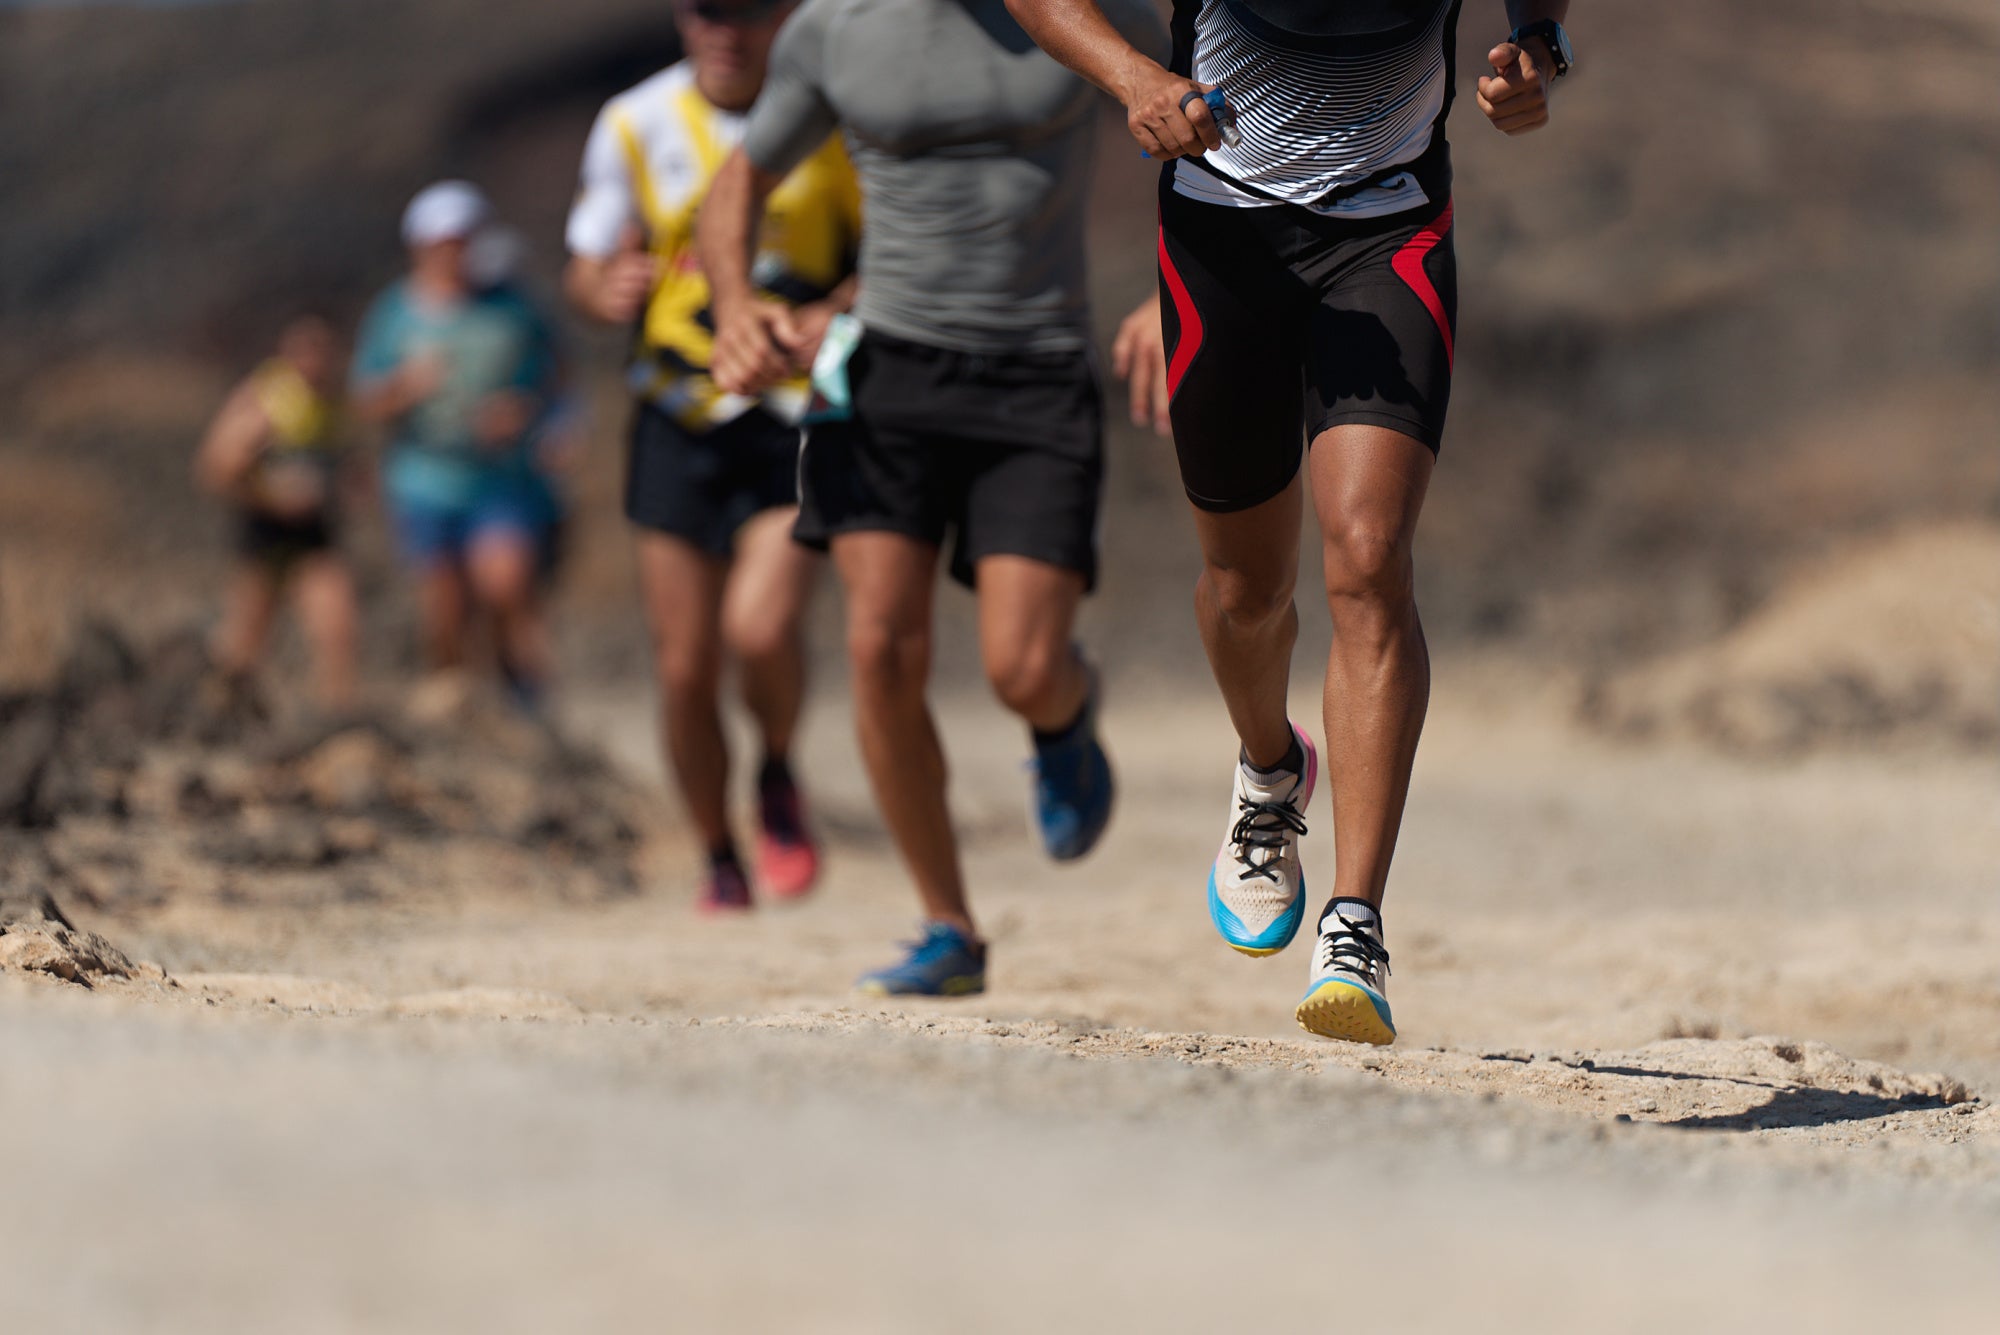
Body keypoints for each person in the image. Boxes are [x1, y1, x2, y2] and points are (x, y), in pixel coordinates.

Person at [1006, 0, 1575, 1042]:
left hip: (1389, 229)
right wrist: (1134, 78)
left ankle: (1353, 925)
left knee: (1367, 560)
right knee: (1245, 589)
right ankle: (1269, 769)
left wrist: (1535, 44)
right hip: (1221, 237)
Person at [698, 0, 1170, 994]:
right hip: (883, 369)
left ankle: (1064, 711)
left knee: (1021, 666)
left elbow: (1209, 125)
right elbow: (740, 180)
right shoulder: (833, 26)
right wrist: (735, 306)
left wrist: (1176, 288)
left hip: (1035, 371)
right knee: (878, 644)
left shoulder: (1085, 14)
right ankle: (946, 923)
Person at [565, 0, 861, 911]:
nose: (726, 29)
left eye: (751, 11)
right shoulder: (634, 120)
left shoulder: (834, 117)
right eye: (707, 11)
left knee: (761, 628)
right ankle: (716, 851)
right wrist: (600, 285)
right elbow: (583, 260)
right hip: (677, 410)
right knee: (685, 665)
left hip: (793, 410)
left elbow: (893, 247)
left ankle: (774, 770)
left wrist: (830, 313)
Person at [351, 181, 562, 705]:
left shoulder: (514, 307)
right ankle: (453, 697)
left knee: (506, 581)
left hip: (501, 476)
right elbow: (363, 398)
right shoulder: (395, 312)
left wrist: (527, 411)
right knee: (443, 604)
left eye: (465, 239)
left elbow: (558, 373)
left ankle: (523, 696)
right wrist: (405, 387)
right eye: (444, 242)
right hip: (424, 476)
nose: (456, 252)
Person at [195, 314, 360, 711]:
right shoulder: (268, 401)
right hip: (265, 530)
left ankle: (335, 717)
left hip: (314, 530)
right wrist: (269, 499)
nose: (314, 363)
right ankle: (219, 712)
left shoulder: (335, 401)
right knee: (248, 637)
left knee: (336, 625)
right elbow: (215, 466)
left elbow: (343, 459)